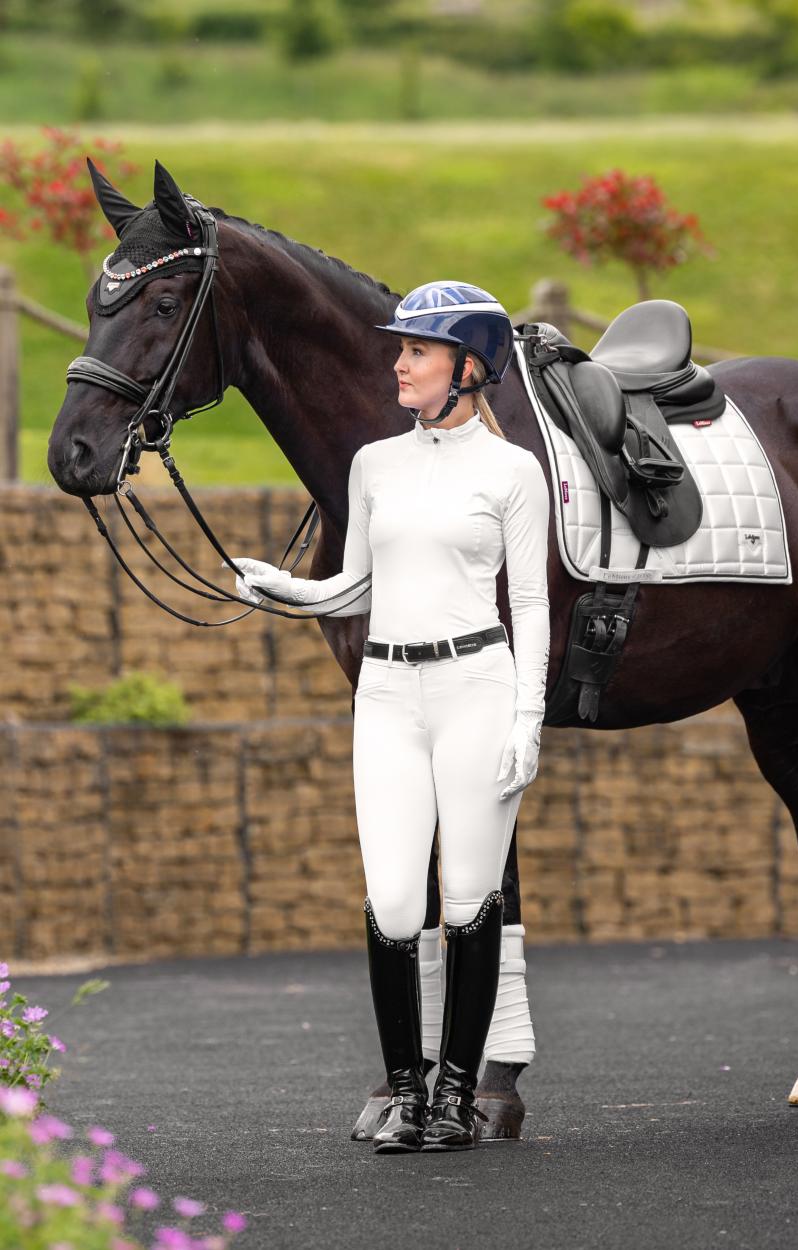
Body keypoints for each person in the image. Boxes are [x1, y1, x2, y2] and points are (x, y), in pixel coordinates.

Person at [233, 281, 550, 1153]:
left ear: (470, 367)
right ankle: (406, 1097)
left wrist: (528, 719)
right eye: (400, 348)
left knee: (469, 897)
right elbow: (356, 586)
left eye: (417, 350)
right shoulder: (373, 464)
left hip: (478, 689)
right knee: (392, 900)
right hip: (385, 696)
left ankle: (454, 1100)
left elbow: (531, 604)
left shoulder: (513, 472)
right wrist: (285, 588)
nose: (398, 363)